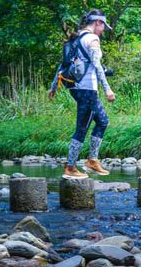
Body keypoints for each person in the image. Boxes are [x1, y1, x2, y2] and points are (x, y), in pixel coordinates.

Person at [48, 10, 116, 179]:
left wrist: (54, 86)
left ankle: (92, 161)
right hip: (87, 89)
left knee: (102, 121)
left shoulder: (76, 38)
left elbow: (63, 64)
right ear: (98, 22)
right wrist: (107, 89)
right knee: (83, 128)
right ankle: (70, 167)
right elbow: (97, 66)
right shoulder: (93, 39)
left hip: (75, 88)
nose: (103, 31)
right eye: (103, 27)